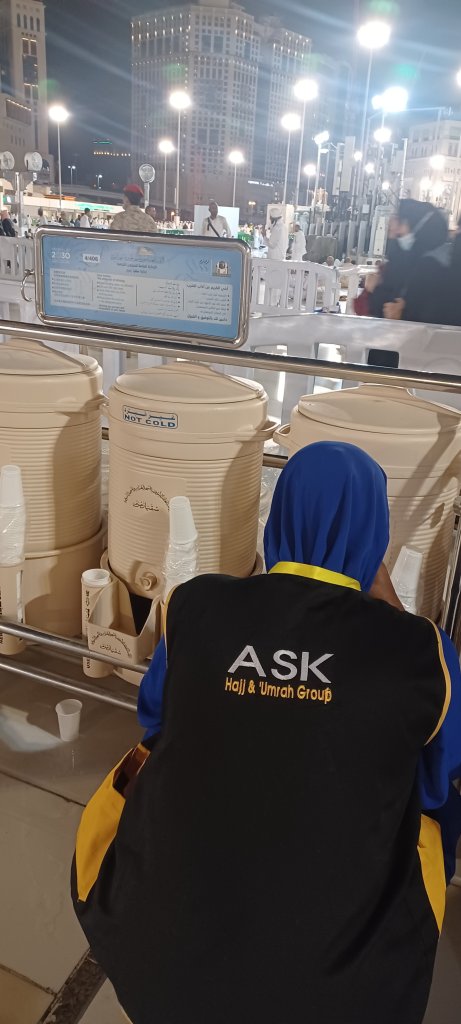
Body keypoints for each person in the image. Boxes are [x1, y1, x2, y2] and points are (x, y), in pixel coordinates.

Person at [71, 441, 461, 1024]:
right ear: (375, 537)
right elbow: (436, 774)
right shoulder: (421, 651)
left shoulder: (196, 604)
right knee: (438, 805)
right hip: (346, 1002)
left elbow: (155, 719)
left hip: (152, 964)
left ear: (279, 514)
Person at [382, 200, 449, 323]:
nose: (393, 226)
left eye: (401, 221)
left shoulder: (431, 266)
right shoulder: (402, 259)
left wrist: (403, 313)